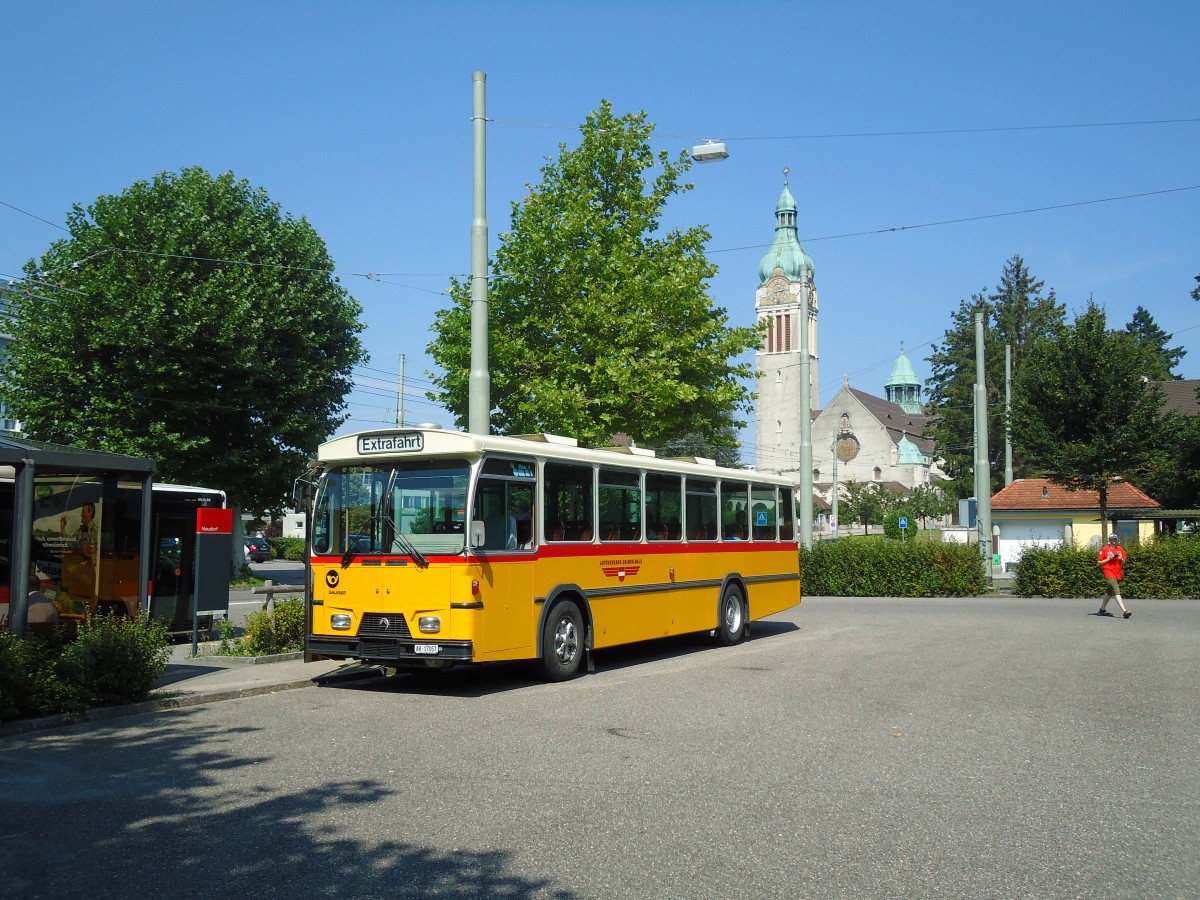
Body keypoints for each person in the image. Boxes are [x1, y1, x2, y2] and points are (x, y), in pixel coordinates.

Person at [1096, 533, 1131, 619]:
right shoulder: (1105, 549)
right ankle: (1124, 611)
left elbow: (1123, 563)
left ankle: (1102, 609)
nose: (1114, 541)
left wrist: (1121, 558)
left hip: (1117, 573)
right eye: (1112, 539)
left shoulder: (1120, 549)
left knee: (1109, 592)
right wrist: (1109, 558)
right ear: (1109, 540)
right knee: (1116, 590)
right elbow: (1099, 562)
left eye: (1115, 539)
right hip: (1108, 572)